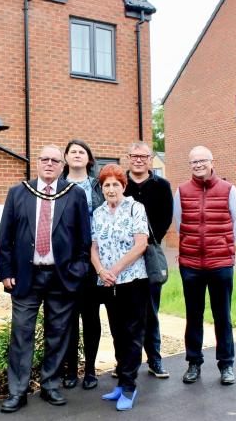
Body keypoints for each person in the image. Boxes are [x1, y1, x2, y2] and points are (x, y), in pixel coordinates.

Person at [0, 145, 92, 413]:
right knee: (21, 334)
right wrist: (5, 272)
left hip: (61, 278)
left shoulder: (74, 195)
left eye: (54, 160)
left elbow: (84, 240)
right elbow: (5, 237)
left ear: (61, 166)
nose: (49, 164)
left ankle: (50, 384)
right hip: (26, 277)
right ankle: (17, 391)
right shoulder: (19, 193)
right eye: (44, 160)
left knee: (57, 334)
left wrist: (79, 270)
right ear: (36, 163)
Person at [173, 146, 236, 386]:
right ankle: (194, 363)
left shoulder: (228, 190)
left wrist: (224, 246)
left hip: (220, 264)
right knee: (193, 316)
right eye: (193, 162)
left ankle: (226, 365)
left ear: (212, 162)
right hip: (191, 265)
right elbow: (180, 225)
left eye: (202, 160)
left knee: (222, 316)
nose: (198, 165)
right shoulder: (181, 191)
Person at [91, 164, 150, 411]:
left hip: (133, 281)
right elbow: (93, 247)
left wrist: (114, 270)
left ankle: (129, 385)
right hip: (107, 282)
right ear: (102, 189)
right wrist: (101, 271)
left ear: (123, 186)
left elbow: (141, 245)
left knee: (133, 334)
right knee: (117, 333)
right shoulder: (98, 213)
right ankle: (121, 380)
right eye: (107, 185)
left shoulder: (136, 208)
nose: (111, 189)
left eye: (116, 184)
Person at [123, 142, 174, 379]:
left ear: (150, 159)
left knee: (151, 311)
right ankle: (124, 363)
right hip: (124, 257)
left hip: (150, 254)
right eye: (134, 156)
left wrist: (146, 241)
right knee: (125, 313)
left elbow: (165, 218)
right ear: (128, 158)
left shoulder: (161, 186)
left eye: (143, 156)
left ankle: (154, 359)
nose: (139, 160)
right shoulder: (120, 183)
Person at [60, 139, 105, 390]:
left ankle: (90, 369)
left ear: (89, 159)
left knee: (90, 315)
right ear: (66, 158)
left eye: (82, 152)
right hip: (66, 261)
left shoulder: (98, 185)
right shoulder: (58, 186)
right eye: (73, 152)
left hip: (94, 260)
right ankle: (69, 369)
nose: (77, 155)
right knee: (68, 317)